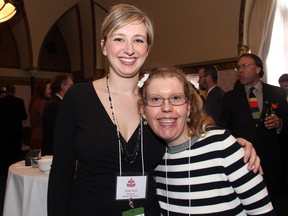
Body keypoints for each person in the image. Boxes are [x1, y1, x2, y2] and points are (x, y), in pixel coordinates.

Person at [47, 4, 260, 216]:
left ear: (147, 49)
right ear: (104, 46)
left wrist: (234, 146)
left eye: (138, 40)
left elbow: (192, 133)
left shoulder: (157, 101)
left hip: (146, 211)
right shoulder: (78, 96)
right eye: (118, 38)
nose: (129, 49)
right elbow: (61, 173)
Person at [139, 66, 275, 215]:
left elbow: (263, 212)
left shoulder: (222, 146)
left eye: (176, 98)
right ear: (143, 110)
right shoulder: (150, 157)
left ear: (189, 106)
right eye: (155, 99)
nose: (166, 108)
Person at [219, 53, 288, 211]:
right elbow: (223, 127)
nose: (240, 71)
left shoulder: (277, 93)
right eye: (238, 67)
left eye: (245, 66)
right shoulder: (230, 97)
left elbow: (287, 119)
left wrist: (280, 123)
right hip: (244, 161)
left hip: (273, 162)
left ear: (258, 69)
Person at [0, 85, 27, 178]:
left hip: (3, 132)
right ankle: (16, 173)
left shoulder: (1, 102)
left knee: (5, 154)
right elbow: (24, 116)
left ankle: (5, 174)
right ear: (14, 91)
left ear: (6, 91)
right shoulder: (19, 101)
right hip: (16, 131)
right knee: (16, 154)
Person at [42, 75, 73, 156]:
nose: (73, 88)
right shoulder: (55, 104)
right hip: (54, 150)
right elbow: (58, 129)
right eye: (71, 85)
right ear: (63, 86)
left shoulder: (58, 102)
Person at [29, 80, 51, 149]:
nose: (51, 91)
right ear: (42, 89)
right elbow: (45, 120)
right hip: (41, 136)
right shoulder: (42, 102)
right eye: (49, 88)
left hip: (35, 136)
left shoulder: (34, 101)